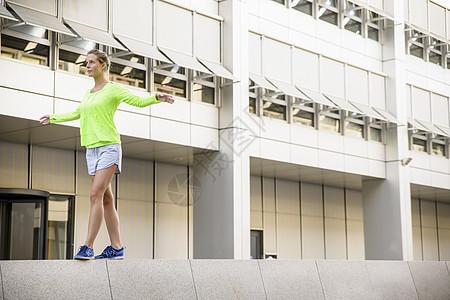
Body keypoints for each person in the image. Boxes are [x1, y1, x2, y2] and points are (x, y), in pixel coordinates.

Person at [40, 49, 174, 260]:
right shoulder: (89, 93)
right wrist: (53, 117)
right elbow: (78, 113)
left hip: (109, 147)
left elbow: (137, 101)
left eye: (92, 62)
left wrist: (156, 97)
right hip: (91, 150)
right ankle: (117, 248)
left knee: (95, 195)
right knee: (106, 199)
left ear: (103, 65)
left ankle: (88, 246)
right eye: (86, 63)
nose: (88, 66)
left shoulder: (113, 90)